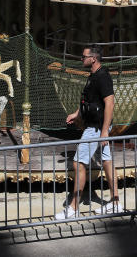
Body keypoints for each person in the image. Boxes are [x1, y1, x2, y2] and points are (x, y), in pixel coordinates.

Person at [54, 47, 119, 220]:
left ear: (94, 59)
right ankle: (115, 202)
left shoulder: (103, 77)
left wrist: (104, 131)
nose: (81, 59)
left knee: (77, 163)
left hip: (96, 129)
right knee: (106, 161)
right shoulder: (93, 76)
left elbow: (110, 104)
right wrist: (77, 114)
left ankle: (73, 208)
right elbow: (88, 101)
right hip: (95, 126)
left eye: (84, 57)